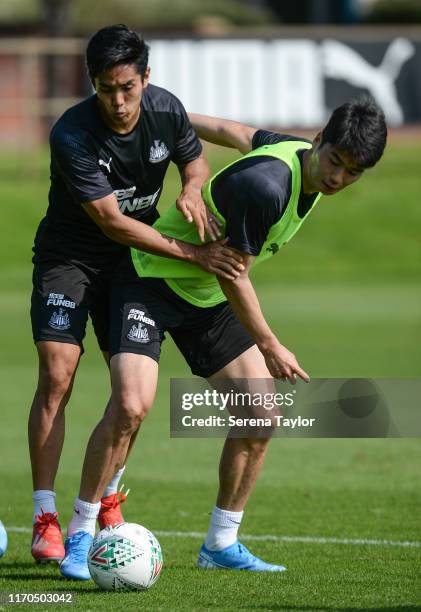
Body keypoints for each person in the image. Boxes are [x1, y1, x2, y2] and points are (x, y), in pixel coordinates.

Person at [60, 96, 387, 579]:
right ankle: (81, 532)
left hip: (205, 299)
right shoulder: (267, 187)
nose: (338, 178)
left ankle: (220, 542)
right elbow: (235, 275)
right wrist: (272, 345)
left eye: (353, 172)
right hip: (150, 282)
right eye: (335, 161)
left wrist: (172, 117)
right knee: (131, 405)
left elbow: (234, 132)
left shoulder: (296, 154)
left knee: (260, 414)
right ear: (319, 139)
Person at [28, 24, 242, 565]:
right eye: (106, 89)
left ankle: (108, 499)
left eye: (128, 87)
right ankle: (46, 517)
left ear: (146, 78)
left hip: (133, 263)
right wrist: (193, 255)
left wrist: (192, 184)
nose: (119, 102)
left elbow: (194, 159)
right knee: (58, 374)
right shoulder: (72, 134)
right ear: (92, 84)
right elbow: (113, 223)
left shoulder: (166, 110)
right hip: (72, 259)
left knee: (131, 394)